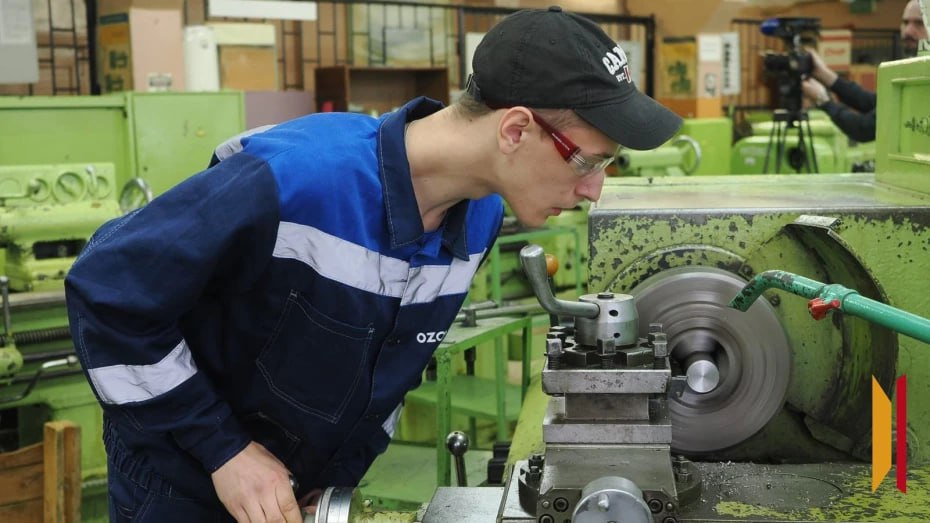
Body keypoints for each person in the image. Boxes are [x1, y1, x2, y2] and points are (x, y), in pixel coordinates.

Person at [64, 6, 681, 522]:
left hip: (299, 496)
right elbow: (105, 291)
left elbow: (388, 375)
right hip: (183, 485)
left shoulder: (480, 220)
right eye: (587, 161)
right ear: (516, 130)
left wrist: (336, 480)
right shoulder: (297, 180)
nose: (594, 189)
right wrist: (224, 451)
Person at [801, 0, 927, 142]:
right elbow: (875, 103)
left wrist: (823, 100)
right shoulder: (916, 70)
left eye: (920, 23)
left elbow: (865, 128)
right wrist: (824, 75)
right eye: (905, 22)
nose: (908, 31)